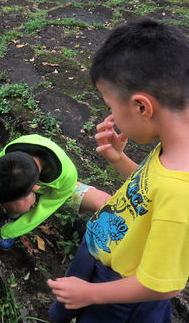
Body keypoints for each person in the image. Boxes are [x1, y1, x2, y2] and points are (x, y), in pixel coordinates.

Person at [47, 18, 189, 322]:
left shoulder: (182, 193)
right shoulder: (176, 144)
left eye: (110, 105)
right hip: (102, 248)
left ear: (142, 107)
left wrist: (91, 294)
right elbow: (150, 192)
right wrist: (117, 159)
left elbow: (160, 285)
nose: (111, 115)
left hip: (120, 297)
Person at [0, 134, 111, 250]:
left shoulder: (67, 177)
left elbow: (43, 210)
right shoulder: (9, 155)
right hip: (39, 183)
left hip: (63, 188)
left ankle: (13, 215)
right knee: (16, 204)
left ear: (34, 189)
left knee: (103, 203)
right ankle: (14, 210)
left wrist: (9, 231)